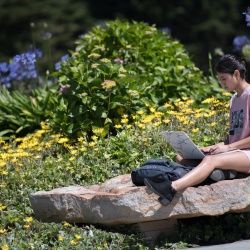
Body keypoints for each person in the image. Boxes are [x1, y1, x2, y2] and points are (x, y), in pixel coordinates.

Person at [144, 54, 250, 206]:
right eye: (220, 79)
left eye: (224, 78)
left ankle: (171, 188)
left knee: (209, 160)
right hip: (236, 151)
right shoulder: (234, 99)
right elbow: (237, 135)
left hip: (246, 154)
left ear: (237, 74)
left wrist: (229, 147)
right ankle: (222, 173)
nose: (222, 83)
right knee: (181, 158)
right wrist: (220, 145)